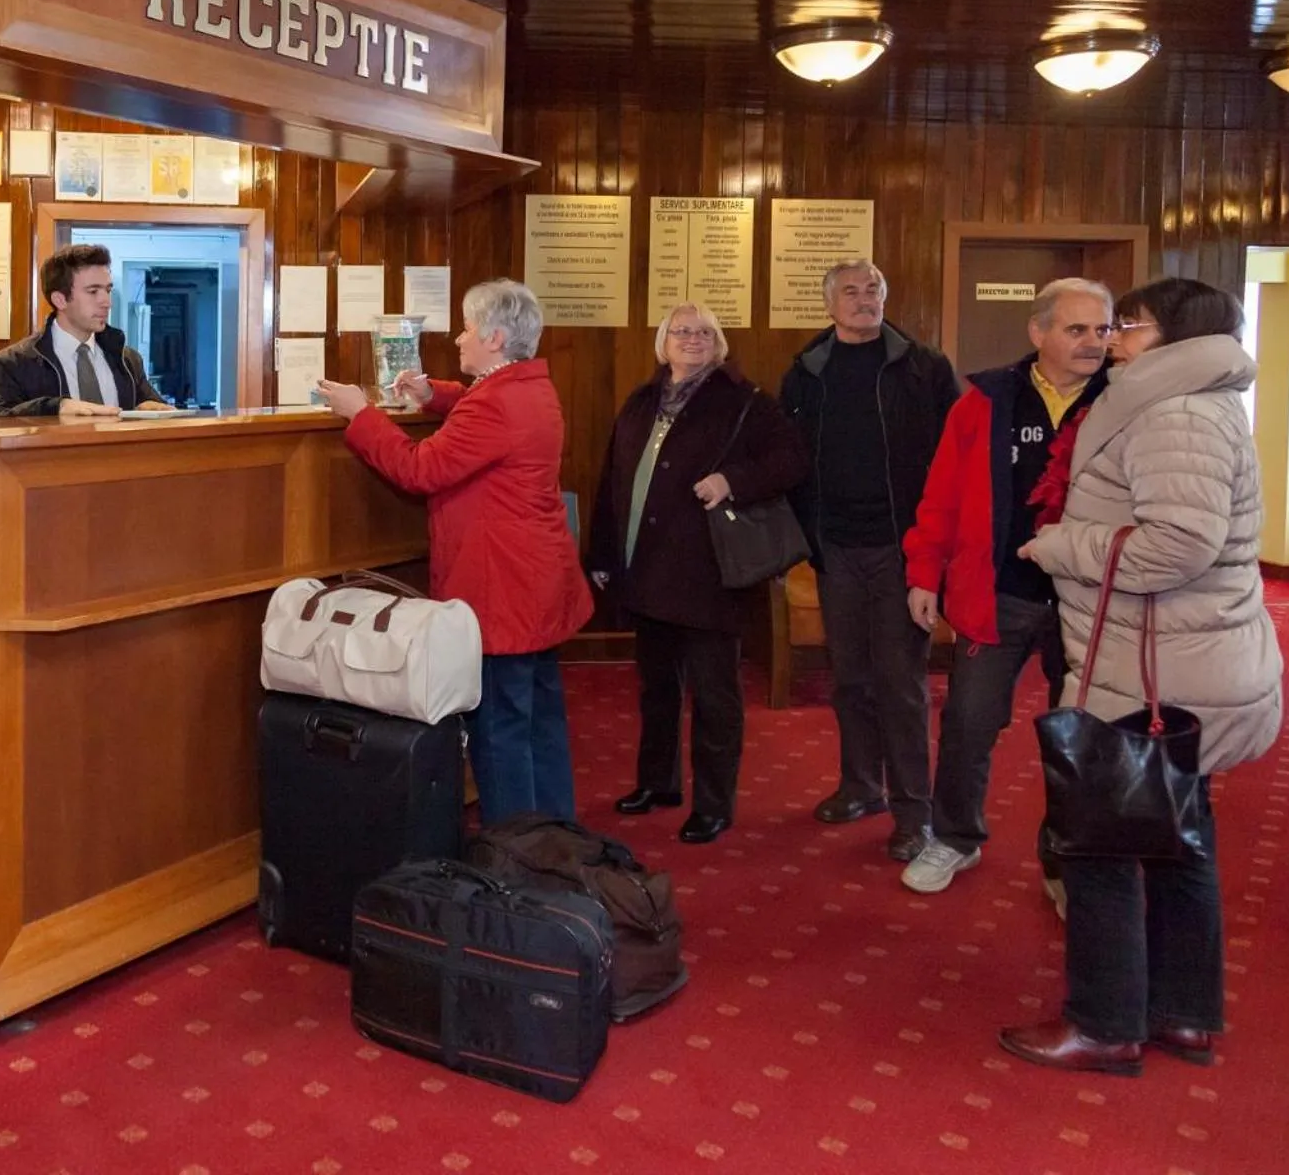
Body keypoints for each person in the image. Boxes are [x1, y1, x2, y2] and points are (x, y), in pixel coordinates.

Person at [999, 278, 1283, 1076]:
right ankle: (1182, 1014)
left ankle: (1106, 1024)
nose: (1116, 334)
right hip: (1179, 661)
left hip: (1151, 671)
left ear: (1176, 335)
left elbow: (1175, 548)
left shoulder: (1175, 411)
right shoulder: (1185, 399)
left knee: (1103, 848)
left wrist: (1060, 546)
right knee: (1179, 839)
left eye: (1134, 322)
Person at [317, 279, 592, 826]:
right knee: (539, 721)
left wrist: (360, 414)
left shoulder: (496, 404)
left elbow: (420, 469)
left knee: (500, 730)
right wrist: (433, 394)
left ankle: (515, 853)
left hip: (503, 590)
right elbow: (480, 410)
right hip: (535, 581)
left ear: (493, 336)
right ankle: (556, 837)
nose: (459, 339)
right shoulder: (527, 386)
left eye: (467, 328)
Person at [900, 279, 1113, 896]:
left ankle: (1066, 858)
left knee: (1078, 736)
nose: (1094, 343)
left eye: (1103, 330)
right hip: (999, 597)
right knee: (968, 723)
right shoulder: (985, 404)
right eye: (1077, 329)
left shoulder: (1126, 403)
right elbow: (940, 496)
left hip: (1092, 604)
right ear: (1038, 332)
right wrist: (924, 573)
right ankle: (955, 839)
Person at [589, 303, 807, 843]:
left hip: (708, 575)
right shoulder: (642, 402)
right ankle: (658, 783)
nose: (693, 338)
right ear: (662, 343)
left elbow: (792, 460)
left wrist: (732, 480)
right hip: (647, 571)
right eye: (681, 331)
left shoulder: (743, 402)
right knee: (657, 688)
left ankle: (714, 803)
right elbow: (611, 485)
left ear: (720, 344)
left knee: (715, 695)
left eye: (705, 332)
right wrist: (600, 557)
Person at [779, 259, 961, 863]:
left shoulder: (924, 368)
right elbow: (789, 456)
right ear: (829, 304)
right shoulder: (807, 371)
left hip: (901, 550)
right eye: (851, 292)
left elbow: (953, 459)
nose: (864, 300)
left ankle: (915, 813)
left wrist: (937, 549)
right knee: (849, 677)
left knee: (901, 683)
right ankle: (861, 786)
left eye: (873, 289)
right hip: (836, 550)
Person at [0, 243, 169, 416]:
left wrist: (153, 411)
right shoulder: (13, 363)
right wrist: (55, 407)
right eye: (93, 292)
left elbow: (154, 409)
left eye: (108, 290)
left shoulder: (127, 360)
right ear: (60, 300)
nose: (107, 302)